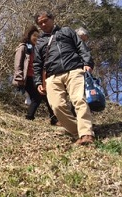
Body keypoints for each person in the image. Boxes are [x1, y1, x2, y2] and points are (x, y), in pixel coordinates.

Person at [33, 9, 95, 145]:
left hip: (73, 70)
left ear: (52, 19)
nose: (43, 25)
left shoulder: (67, 31)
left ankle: (86, 134)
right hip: (52, 76)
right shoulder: (40, 41)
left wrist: (87, 63)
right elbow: (37, 63)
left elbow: (81, 47)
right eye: (40, 23)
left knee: (79, 100)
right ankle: (77, 131)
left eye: (45, 21)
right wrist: (38, 81)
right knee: (56, 106)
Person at [13, 25, 58, 125]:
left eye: (38, 36)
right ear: (29, 35)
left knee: (46, 96)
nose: (36, 38)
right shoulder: (23, 47)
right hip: (26, 78)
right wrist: (19, 77)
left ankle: (54, 119)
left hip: (37, 77)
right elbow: (18, 63)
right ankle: (30, 117)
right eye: (34, 35)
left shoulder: (37, 49)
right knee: (38, 96)